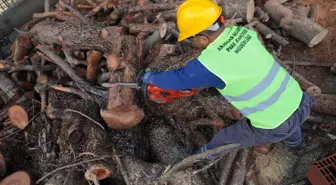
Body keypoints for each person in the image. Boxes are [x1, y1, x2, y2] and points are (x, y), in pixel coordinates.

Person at [142, 0, 315, 160]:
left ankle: (200, 158)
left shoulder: (208, 64)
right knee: (293, 128)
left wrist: (149, 77)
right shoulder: (244, 33)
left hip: (273, 124)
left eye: (190, 38)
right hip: (300, 101)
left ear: (203, 38)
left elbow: (177, 79)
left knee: (225, 138)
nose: (191, 42)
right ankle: (296, 148)